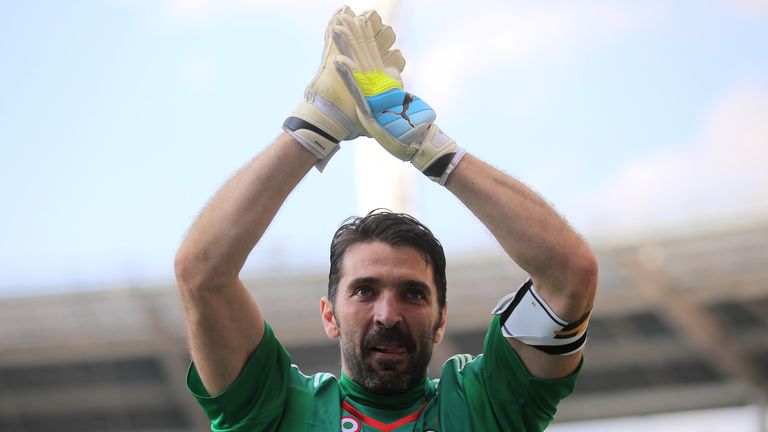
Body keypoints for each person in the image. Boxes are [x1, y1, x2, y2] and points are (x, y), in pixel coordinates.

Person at [174, 7, 598, 432]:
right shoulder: (278, 411)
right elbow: (201, 274)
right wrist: (315, 126)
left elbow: (570, 273)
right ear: (329, 315)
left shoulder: (485, 404)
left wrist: (434, 150)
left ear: (441, 319)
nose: (388, 315)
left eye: (413, 293)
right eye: (364, 291)